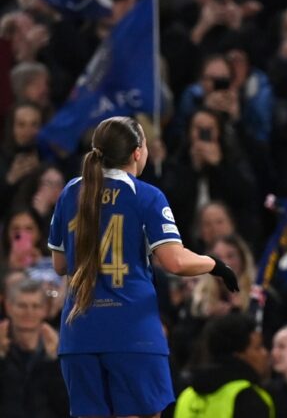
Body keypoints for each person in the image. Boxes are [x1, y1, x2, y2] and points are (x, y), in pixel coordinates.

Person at [47, 116, 239, 418]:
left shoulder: (70, 193)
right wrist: (215, 264)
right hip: (132, 332)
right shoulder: (146, 195)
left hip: (79, 334)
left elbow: (60, 264)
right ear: (137, 152)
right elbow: (175, 261)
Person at [174, 313, 273, 418]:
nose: (265, 353)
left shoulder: (186, 397)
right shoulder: (250, 399)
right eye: (258, 347)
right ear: (239, 355)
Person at [0, 279, 69, 418]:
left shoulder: (62, 348)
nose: (29, 312)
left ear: (45, 309)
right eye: (22, 305)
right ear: (8, 307)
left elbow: (67, 406)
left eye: (35, 306)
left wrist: (54, 362)